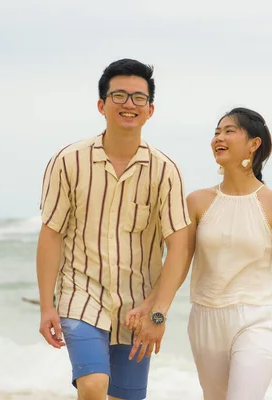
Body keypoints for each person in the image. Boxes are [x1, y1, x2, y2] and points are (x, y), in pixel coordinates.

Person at [36, 58, 191, 400]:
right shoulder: (68, 161)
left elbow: (180, 247)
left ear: (150, 110)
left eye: (138, 98)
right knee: (93, 385)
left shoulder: (165, 171)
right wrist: (47, 305)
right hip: (81, 294)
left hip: (138, 306)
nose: (128, 104)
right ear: (101, 105)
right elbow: (52, 234)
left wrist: (158, 312)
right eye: (118, 95)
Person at [184, 107, 272, 399]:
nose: (218, 138)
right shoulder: (197, 202)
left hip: (259, 317)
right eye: (216, 132)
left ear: (254, 144)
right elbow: (177, 262)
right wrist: (155, 309)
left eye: (229, 131)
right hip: (205, 319)